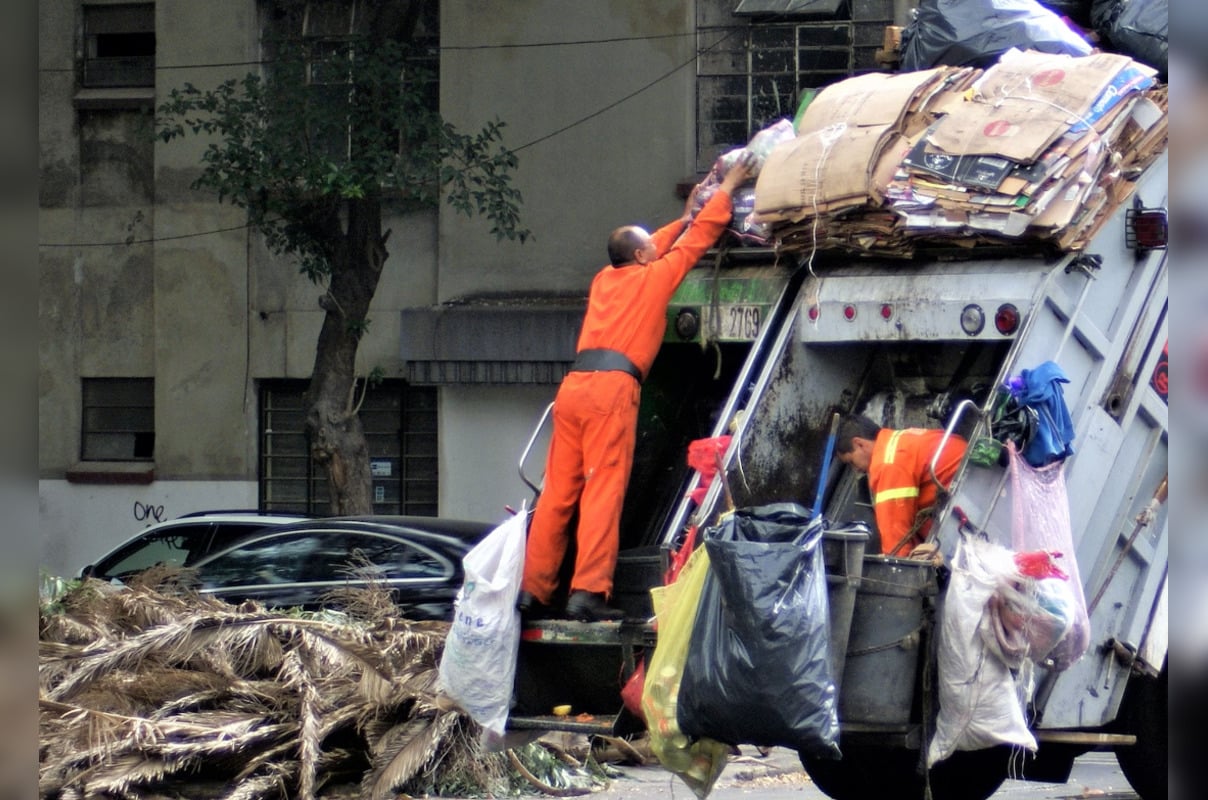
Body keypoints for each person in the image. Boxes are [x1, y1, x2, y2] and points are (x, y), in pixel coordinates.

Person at [518, 153, 758, 622]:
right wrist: (728, 187)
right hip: (612, 391)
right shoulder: (655, 278)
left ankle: (533, 591)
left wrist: (682, 217)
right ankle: (588, 593)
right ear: (644, 256)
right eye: (651, 246)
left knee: (557, 496)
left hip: (572, 390)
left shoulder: (606, 279)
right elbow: (700, 240)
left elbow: (663, 241)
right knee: (602, 492)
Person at [834, 414, 967, 558]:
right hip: (973, 482)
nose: (856, 470)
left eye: (852, 462)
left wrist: (894, 567)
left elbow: (895, 539)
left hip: (966, 507)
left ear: (859, 444)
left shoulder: (887, 463)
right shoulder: (899, 439)